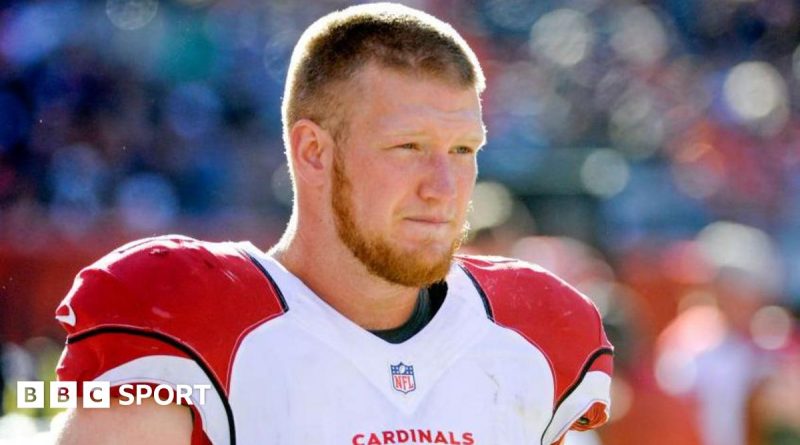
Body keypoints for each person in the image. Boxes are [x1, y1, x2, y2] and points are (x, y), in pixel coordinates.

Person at [53, 3, 613, 444]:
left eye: (463, 149)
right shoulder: (187, 313)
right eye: (408, 146)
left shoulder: (531, 335)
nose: (443, 187)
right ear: (314, 152)